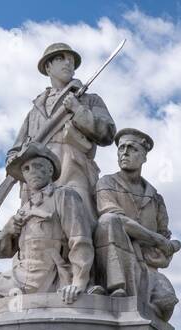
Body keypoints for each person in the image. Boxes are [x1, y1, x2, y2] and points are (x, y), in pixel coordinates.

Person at [0, 143, 94, 310]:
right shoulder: (24, 209)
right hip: (17, 278)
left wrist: (79, 282)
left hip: (47, 277)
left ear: (50, 170)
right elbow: (3, 253)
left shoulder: (64, 196)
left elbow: (79, 239)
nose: (31, 172)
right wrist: (7, 231)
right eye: (26, 169)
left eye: (37, 166)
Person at [8, 42, 116, 217]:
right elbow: (15, 150)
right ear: (48, 67)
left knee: (81, 222)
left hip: (73, 166)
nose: (68, 63)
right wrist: (16, 162)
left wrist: (78, 110)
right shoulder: (35, 109)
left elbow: (108, 133)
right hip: (36, 174)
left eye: (71, 60)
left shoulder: (89, 100)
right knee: (37, 230)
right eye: (60, 59)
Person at [94, 127, 181, 322]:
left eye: (131, 148)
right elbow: (117, 220)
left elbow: (164, 246)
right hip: (114, 261)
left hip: (147, 267)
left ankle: (141, 307)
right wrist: (156, 239)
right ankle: (117, 289)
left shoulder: (155, 197)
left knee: (167, 302)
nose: (124, 153)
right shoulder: (106, 183)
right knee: (109, 221)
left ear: (144, 156)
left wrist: (167, 246)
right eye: (121, 148)